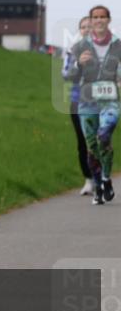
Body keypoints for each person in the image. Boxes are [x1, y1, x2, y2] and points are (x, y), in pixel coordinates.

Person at [65, 5, 120, 205]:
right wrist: (78, 64)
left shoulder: (118, 45)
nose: (98, 20)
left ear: (108, 20)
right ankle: (98, 185)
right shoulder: (79, 47)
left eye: (102, 17)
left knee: (104, 135)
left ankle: (106, 178)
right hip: (87, 103)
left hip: (110, 101)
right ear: (91, 20)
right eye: (95, 17)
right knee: (92, 147)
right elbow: (67, 76)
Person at [62, 16, 94, 195]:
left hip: (101, 101)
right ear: (80, 30)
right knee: (82, 142)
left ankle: (102, 177)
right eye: (83, 27)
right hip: (78, 101)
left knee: (100, 141)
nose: (87, 30)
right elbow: (65, 75)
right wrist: (78, 64)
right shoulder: (72, 51)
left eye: (90, 27)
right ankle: (89, 179)